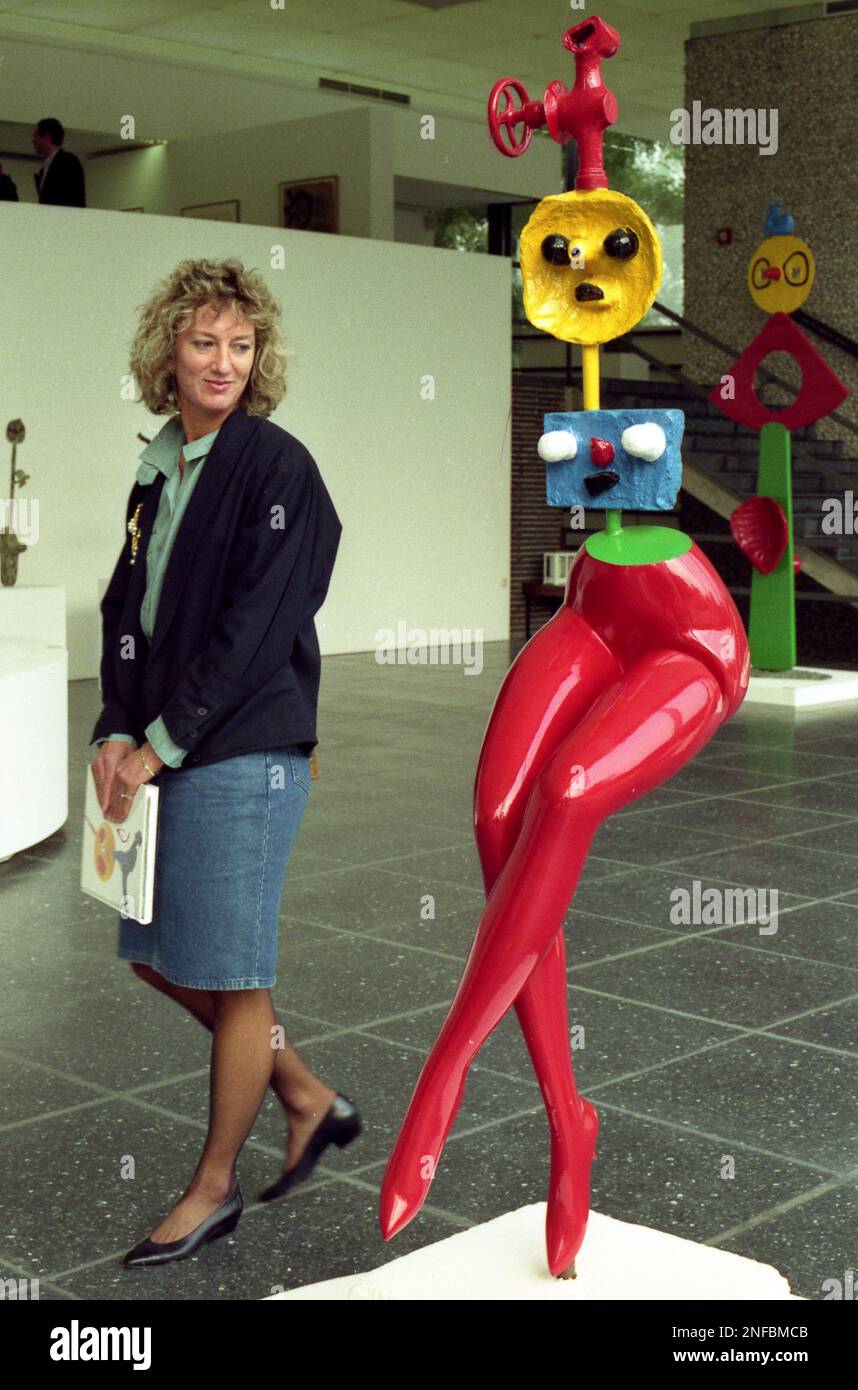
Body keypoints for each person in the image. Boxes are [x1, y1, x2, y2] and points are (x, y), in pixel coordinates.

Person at [89, 257, 361, 1268]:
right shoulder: (158, 469)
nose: (222, 361)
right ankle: (305, 1094)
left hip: (245, 748)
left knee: (235, 975)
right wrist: (114, 728)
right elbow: (128, 611)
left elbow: (255, 632)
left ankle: (213, 1189)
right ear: (167, 351)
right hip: (171, 744)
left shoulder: (276, 467)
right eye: (203, 342)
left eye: (240, 345)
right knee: (154, 951)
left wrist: (160, 743)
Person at [32, 118, 85, 206]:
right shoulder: (46, 168)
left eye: (36, 135)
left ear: (47, 137)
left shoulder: (68, 162)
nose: (34, 140)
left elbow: (72, 200)